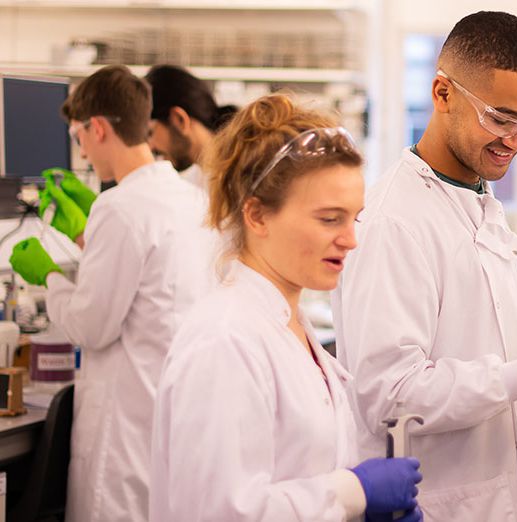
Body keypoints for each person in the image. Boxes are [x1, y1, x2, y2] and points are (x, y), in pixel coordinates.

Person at [332, 12, 517, 521]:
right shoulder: (392, 224)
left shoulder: (478, 202)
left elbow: (479, 352)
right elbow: (390, 394)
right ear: (442, 93)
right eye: (501, 117)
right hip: (442, 502)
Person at [149, 93, 423, 522]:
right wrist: (354, 492)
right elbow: (218, 513)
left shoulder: (288, 324)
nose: (351, 239)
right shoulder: (224, 340)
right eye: (330, 219)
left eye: (355, 218)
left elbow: (298, 473)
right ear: (257, 215)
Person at [8, 65, 214, 522]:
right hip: (168, 414)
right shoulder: (189, 198)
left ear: (97, 127)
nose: (80, 149)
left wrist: (47, 277)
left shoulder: (120, 206)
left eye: (78, 136)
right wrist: (85, 238)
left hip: (125, 431)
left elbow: (91, 327)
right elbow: (146, 282)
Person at [145, 64, 236, 189]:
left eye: (150, 132)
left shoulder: (241, 179)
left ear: (179, 119)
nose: (150, 146)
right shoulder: (197, 182)